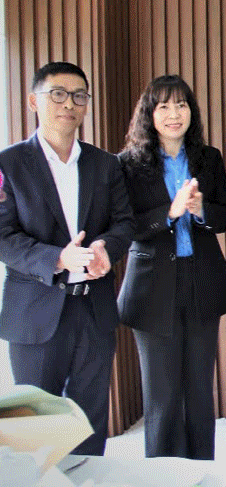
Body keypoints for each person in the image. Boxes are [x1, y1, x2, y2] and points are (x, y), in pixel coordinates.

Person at [0, 61, 134, 454]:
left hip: (94, 308)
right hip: (36, 310)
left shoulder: (105, 164)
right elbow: (2, 235)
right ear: (33, 101)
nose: (68, 104)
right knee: (36, 423)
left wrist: (105, 249)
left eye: (79, 95)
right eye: (57, 93)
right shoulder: (7, 164)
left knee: (89, 418)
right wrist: (57, 257)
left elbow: (124, 223)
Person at [117, 75, 226, 459]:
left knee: (200, 390)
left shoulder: (209, 158)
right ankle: (163, 476)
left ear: (192, 111)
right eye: (164, 106)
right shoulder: (128, 164)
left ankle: (204, 469)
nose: (174, 114)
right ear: (149, 114)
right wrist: (168, 214)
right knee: (163, 395)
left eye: (182, 105)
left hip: (201, 278)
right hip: (152, 285)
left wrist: (202, 211)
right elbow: (126, 227)